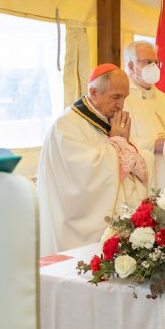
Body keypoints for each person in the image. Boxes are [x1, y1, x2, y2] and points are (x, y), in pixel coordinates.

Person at [37, 64, 149, 255]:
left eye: (124, 98)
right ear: (93, 92)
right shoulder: (66, 126)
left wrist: (125, 146)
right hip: (77, 229)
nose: (121, 104)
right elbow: (85, 175)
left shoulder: (110, 120)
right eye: (115, 97)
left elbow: (139, 157)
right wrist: (119, 144)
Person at [121, 41, 165, 189]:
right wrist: (152, 145)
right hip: (147, 177)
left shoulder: (162, 97)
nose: (154, 67)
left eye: (156, 62)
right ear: (131, 66)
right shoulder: (123, 98)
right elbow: (120, 141)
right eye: (148, 62)